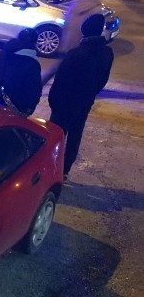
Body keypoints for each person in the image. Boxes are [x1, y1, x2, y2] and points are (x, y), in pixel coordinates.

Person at [49, 13, 114, 178]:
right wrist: (90, 94)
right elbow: (102, 80)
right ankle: (65, 171)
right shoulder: (107, 53)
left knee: (55, 135)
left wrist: (54, 102)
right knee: (75, 136)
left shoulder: (75, 54)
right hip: (84, 103)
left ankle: (50, 167)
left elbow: (60, 81)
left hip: (64, 104)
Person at [0, 27, 42, 116]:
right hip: (15, 104)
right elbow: (34, 90)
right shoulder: (32, 63)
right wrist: (30, 108)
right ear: (34, 43)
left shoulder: (2, 54)